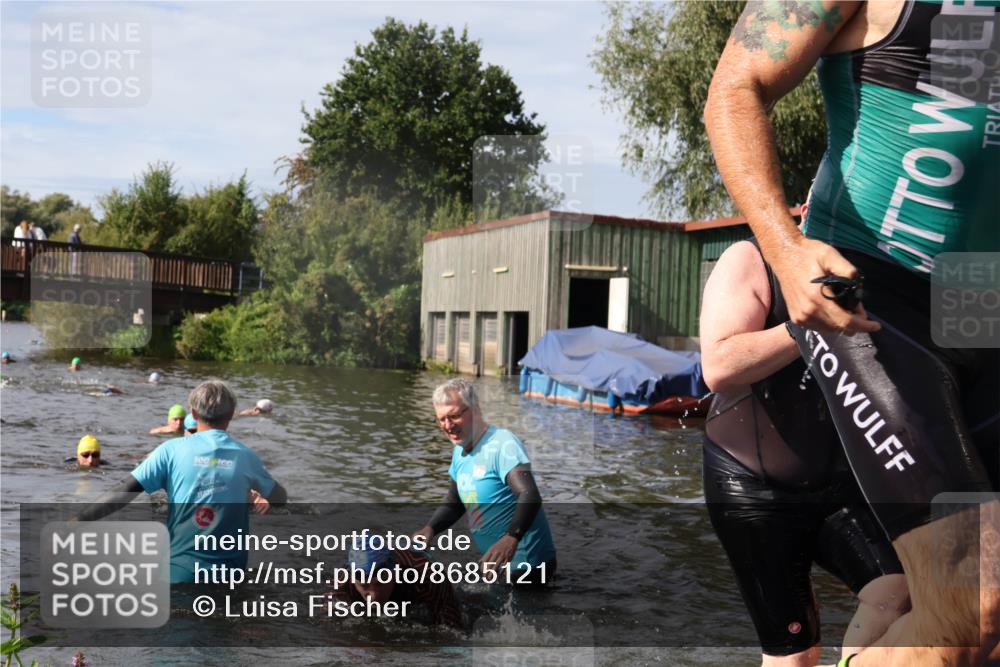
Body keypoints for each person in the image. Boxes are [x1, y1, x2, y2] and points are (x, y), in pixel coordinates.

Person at [704, 3, 999, 665]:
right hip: (875, 290)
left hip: (981, 295)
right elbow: (735, 89)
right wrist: (784, 248)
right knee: (970, 599)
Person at [700, 212, 909, 665]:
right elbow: (717, 366)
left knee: (898, 594)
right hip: (752, 485)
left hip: (839, 483)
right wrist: (807, 325)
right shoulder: (749, 259)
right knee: (796, 655)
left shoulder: (878, 272)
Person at [76, 380, 288, 583]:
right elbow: (280, 498)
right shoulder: (246, 457)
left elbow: (124, 491)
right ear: (231, 414)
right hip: (229, 577)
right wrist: (259, 495)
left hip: (178, 574)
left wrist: (78, 521)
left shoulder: (170, 450)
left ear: (193, 414)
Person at [415, 378, 556, 582]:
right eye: (442, 419)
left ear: (475, 409)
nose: (448, 425)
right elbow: (455, 502)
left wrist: (511, 538)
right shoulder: (459, 450)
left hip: (528, 567)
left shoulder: (502, 444)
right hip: (495, 566)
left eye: (454, 416)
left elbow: (529, 494)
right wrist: (430, 528)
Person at [329, 538, 464, 629]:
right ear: (353, 579)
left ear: (395, 571)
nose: (374, 595)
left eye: (381, 583)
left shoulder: (428, 575)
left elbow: (454, 632)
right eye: (364, 586)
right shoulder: (343, 583)